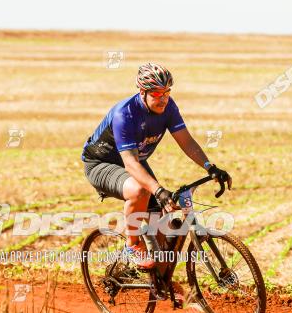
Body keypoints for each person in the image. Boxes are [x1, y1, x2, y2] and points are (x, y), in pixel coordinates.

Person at [81, 62, 232, 269]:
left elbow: (186, 141)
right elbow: (131, 163)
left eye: (167, 92)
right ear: (143, 92)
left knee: (163, 225)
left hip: (136, 161)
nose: (163, 99)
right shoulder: (124, 115)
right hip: (102, 163)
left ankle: (159, 281)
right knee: (141, 191)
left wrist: (210, 167)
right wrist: (158, 190)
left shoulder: (169, 106)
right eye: (157, 94)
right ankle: (132, 245)